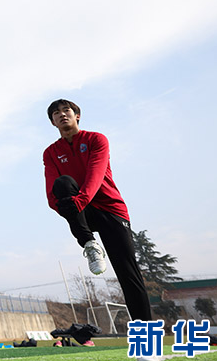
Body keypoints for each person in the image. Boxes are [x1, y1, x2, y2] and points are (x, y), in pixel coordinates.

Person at [43, 99, 152, 322]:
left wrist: (79, 202)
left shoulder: (96, 139)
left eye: (66, 110)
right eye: (56, 113)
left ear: (77, 115)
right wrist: (62, 208)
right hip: (81, 213)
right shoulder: (51, 152)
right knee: (63, 183)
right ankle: (89, 243)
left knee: (128, 275)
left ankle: (146, 335)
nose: (62, 114)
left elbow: (96, 174)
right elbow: (52, 190)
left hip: (110, 209)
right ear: (52, 122)